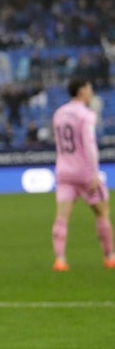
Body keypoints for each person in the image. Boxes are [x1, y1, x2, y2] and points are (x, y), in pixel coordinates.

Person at [50, 76, 115, 272]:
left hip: (64, 171)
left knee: (62, 217)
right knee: (102, 212)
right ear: (81, 91)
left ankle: (60, 260)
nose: (91, 91)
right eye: (89, 87)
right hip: (84, 172)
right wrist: (94, 172)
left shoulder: (58, 114)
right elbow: (89, 144)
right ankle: (109, 256)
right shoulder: (86, 115)